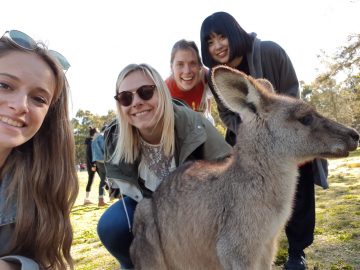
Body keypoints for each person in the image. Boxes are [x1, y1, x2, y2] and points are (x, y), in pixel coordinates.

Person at [200, 11, 328, 270]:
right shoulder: (217, 76)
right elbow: (226, 112)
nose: (218, 46)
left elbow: (292, 92)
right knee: (250, 196)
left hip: (287, 135)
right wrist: (250, 131)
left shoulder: (269, 52)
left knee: (298, 191)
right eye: (210, 42)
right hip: (247, 141)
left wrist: (278, 130)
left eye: (221, 36)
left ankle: (296, 251)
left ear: (234, 32)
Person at [97, 63, 232, 269]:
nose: (136, 103)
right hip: (148, 207)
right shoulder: (116, 137)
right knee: (112, 225)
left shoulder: (193, 124)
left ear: (161, 92)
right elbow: (125, 193)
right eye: (126, 97)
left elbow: (230, 174)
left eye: (145, 92)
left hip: (196, 211)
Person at [0, 30, 78, 269]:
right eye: (4, 85)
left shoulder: (38, 185)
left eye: (38, 99)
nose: (20, 106)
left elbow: (45, 259)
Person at [166, 39, 215, 125]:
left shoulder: (206, 76)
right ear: (171, 67)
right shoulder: (164, 93)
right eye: (180, 64)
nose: (187, 71)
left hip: (202, 123)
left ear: (200, 66)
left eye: (192, 63)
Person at [91, 125, 108, 206]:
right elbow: (104, 148)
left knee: (103, 180)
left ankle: (100, 200)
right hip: (103, 160)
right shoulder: (101, 136)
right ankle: (118, 196)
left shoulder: (93, 139)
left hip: (97, 161)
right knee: (112, 178)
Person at [83, 126, 98, 205]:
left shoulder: (93, 141)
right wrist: (93, 165)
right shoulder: (91, 142)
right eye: (97, 132)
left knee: (104, 178)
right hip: (92, 164)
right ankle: (86, 199)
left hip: (95, 164)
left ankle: (108, 195)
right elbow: (89, 155)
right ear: (94, 133)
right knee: (90, 180)